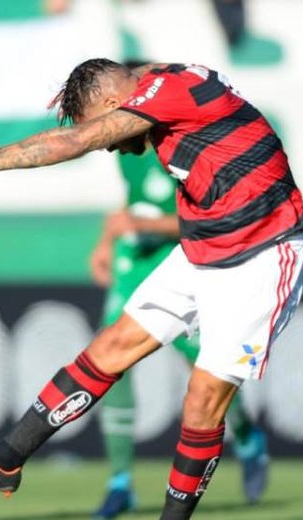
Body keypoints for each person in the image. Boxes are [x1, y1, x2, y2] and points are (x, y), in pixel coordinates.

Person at [0, 58, 303, 519]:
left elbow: (77, 140)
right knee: (110, 348)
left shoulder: (163, 93)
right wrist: (81, 88)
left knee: (203, 397)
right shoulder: (154, 80)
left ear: (114, 103)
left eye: (104, 124)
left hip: (263, 251)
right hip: (205, 244)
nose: (109, 146)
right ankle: (4, 461)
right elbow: (119, 82)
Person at [90, 108, 268, 517]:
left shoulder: (185, 146)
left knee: (206, 368)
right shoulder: (127, 149)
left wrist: (140, 224)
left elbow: (205, 217)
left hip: (180, 263)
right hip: (130, 264)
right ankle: (120, 482)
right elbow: (131, 203)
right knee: (109, 359)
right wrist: (105, 241)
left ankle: (246, 435)